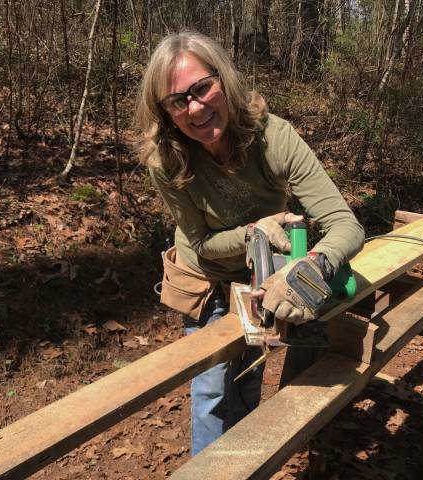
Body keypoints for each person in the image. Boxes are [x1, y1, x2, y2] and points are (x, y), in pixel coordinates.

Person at [135, 31, 364, 456]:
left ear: (224, 79)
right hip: (203, 280)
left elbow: (345, 226)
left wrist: (313, 266)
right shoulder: (166, 159)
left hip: (258, 275)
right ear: (165, 112)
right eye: (177, 101)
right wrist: (253, 232)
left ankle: (241, 464)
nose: (196, 108)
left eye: (202, 88)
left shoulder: (273, 137)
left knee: (249, 375)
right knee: (212, 390)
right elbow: (201, 245)